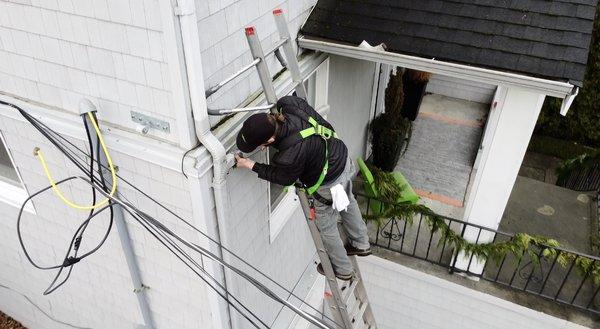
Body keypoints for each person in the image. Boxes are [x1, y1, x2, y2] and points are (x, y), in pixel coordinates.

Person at [235, 95, 371, 281]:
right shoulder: (289, 105)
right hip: (342, 158)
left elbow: (284, 178)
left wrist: (250, 165)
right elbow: (293, 110)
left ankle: (343, 269)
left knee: (327, 227)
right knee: (347, 201)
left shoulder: (287, 157)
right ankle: (362, 243)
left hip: (329, 182)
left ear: (270, 139)